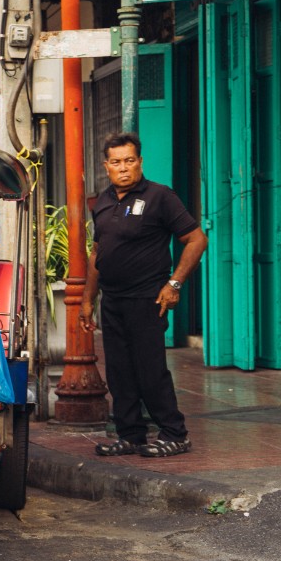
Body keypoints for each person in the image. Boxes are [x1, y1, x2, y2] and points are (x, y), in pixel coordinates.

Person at [78, 132, 208, 458]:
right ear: (106, 166)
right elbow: (98, 253)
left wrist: (174, 284)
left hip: (149, 299)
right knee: (119, 373)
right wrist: (87, 300)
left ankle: (175, 434)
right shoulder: (104, 201)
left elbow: (196, 240)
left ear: (140, 162)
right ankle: (131, 435)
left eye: (130, 161)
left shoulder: (160, 196)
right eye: (117, 162)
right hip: (114, 300)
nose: (124, 168)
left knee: (150, 370)